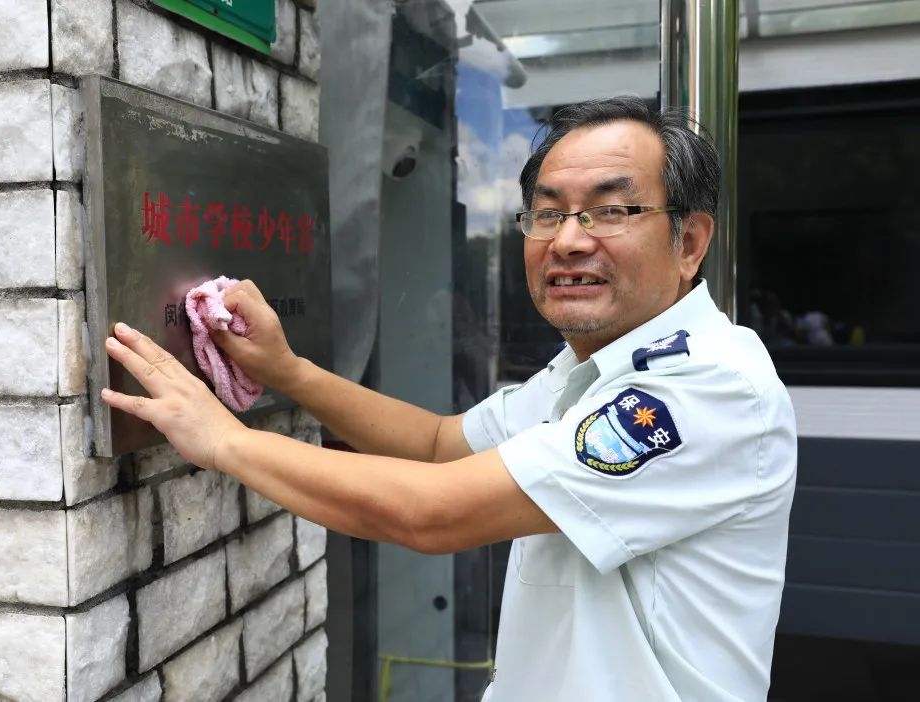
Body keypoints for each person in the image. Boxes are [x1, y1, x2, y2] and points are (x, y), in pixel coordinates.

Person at [101, 97, 796, 702]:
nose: (568, 240)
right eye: (548, 213)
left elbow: (431, 512)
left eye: (611, 211)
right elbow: (439, 445)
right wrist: (290, 371)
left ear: (689, 242)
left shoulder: (706, 387)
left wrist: (225, 440)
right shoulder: (590, 369)